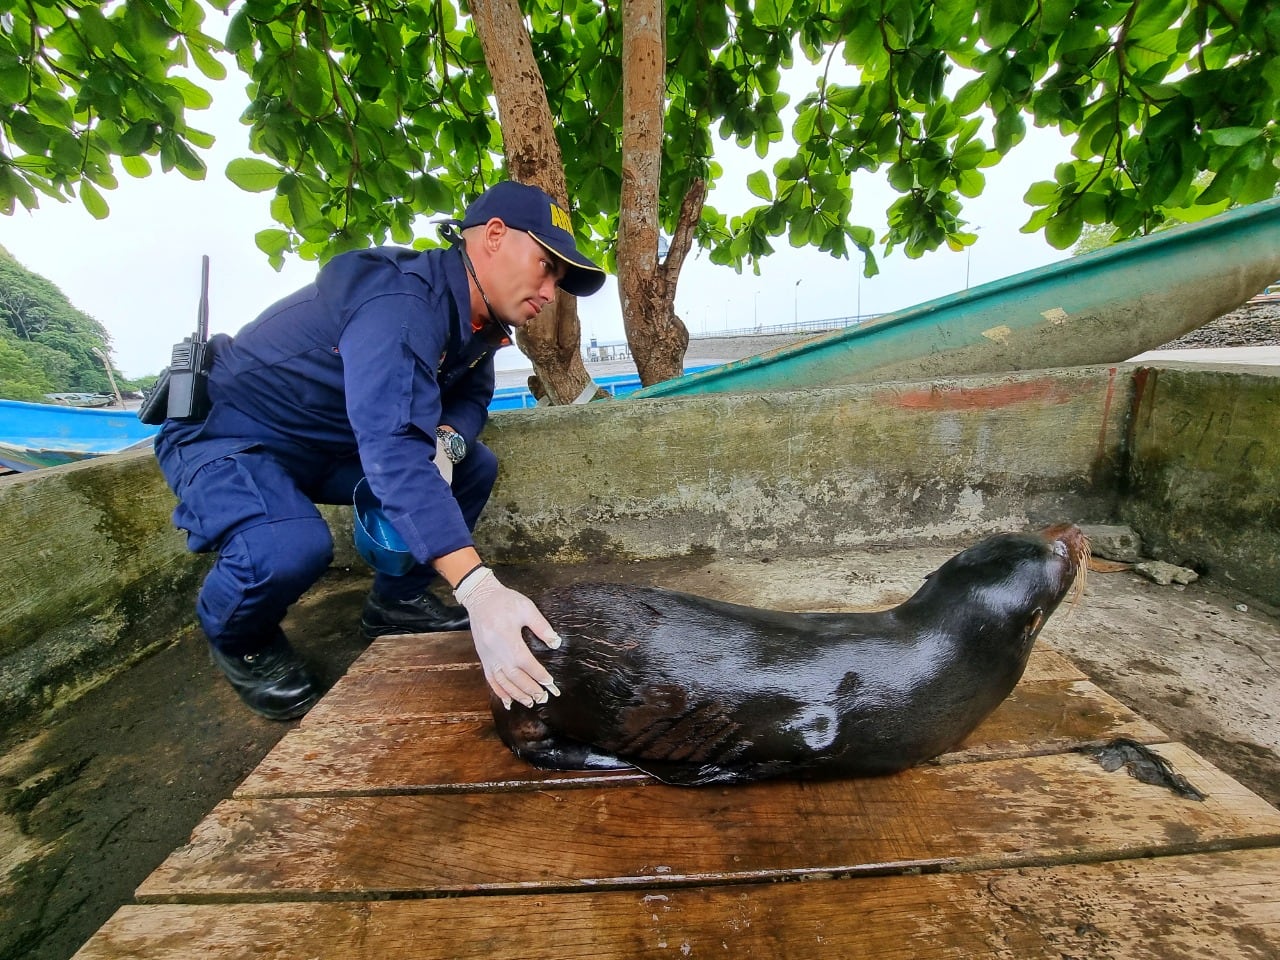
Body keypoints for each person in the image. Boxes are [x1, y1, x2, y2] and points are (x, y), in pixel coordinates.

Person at [154, 180, 607, 720]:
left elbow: (472, 397)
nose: (550, 291)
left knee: (473, 466)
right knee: (285, 547)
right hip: (232, 437)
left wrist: (446, 440)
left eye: (559, 278)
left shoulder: (478, 322)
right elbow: (391, 449)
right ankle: (240, 638)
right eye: (546, 265)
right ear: (492, 236)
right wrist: (479, 590)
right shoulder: (399, 302)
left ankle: (396, 602)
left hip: (329, 444)